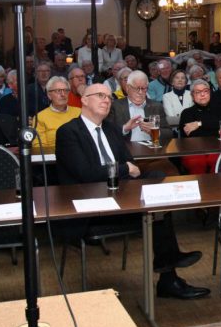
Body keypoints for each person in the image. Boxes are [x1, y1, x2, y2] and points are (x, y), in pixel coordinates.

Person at [54, 83, 209, 300]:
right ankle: (169, 271)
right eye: (100, 95)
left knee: (157, 181)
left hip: (122, 196)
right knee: (155, 208)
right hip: (91, 206)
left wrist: (126, 169)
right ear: (84, 100)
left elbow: (131, 163)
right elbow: (86, 174)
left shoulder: (110, 129)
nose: (106, 100)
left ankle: (168, 270)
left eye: (109, 97)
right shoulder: (68, 132)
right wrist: (123, 169)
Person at [177, 79, 221, 174]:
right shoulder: (187, 113)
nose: (203, 94)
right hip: (194, 149)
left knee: (217, 160)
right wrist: (213, 127)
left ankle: (216, 184)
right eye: (198, 92)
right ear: (192, 95)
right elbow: (192, 134)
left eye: (205, 91)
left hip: (217, 147)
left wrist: (199, 124)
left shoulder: (219, 109)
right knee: (197, 162)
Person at [108, 70, 170, 145]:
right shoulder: (115, 106)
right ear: (128, 87)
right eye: (136, 88)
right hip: (125, 148)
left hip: (151, 149)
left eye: (143, 88)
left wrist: (155, 132)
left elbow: (168, 133)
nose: (140, 92)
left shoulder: (156, 106)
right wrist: (125, 128)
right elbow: (108, 132)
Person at [34, 76, 80, 152]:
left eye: (65, 90)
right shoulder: (40, 117)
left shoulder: (79, 113)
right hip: (53, 157)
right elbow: (39, 147)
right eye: (58, 91)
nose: (63, 94)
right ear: (49, 95)